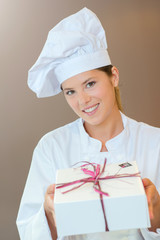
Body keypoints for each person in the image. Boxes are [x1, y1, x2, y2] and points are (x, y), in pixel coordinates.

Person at [16, 7, 160, 240]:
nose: (82, 100)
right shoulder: (52, 147)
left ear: (114, 76)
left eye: (90, 84)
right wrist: (49, 215)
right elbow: (28, 232)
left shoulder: (155, 143)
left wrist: (157, 217)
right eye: (70, 91)